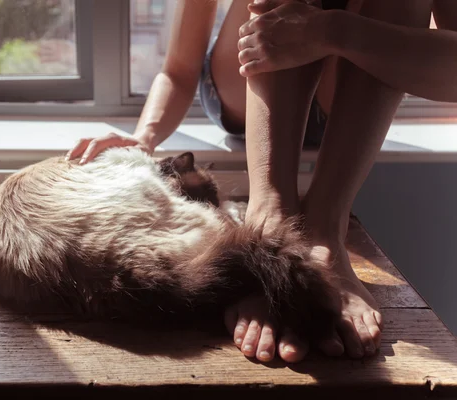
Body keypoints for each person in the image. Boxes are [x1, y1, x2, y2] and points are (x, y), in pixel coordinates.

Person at [66, 0, 454, 363]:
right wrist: (144, 137)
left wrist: (333, 31)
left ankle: (325, 229)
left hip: (355, 87)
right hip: (241, 89)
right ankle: (270, 218)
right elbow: (178, 70)